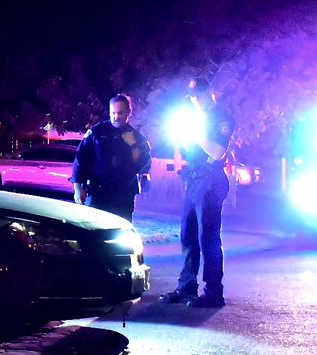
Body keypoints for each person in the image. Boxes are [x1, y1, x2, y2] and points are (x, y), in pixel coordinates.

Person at [161, 77, 235, 308]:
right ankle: (187, 286)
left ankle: (214, 292)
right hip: (193, 180)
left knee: (208, 238)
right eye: (192, 96)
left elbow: (218, 152)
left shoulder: (221, 117)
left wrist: (196, 132)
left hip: (211, 180)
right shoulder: (196, 118)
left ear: (209, 92)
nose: (195, 100)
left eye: (199, 95)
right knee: (188, 234)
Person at [70, 93, 152, 221]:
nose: (116, 117)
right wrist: (78, 188)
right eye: (113, 113)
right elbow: (81, 158)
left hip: (123, 196)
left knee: (120, 233)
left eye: (120, 113)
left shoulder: (136, 137)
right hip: (98, 193)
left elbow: (143, 165)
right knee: (94, 231)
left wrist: (133, 145)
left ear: (128, 112)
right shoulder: (97, 132)